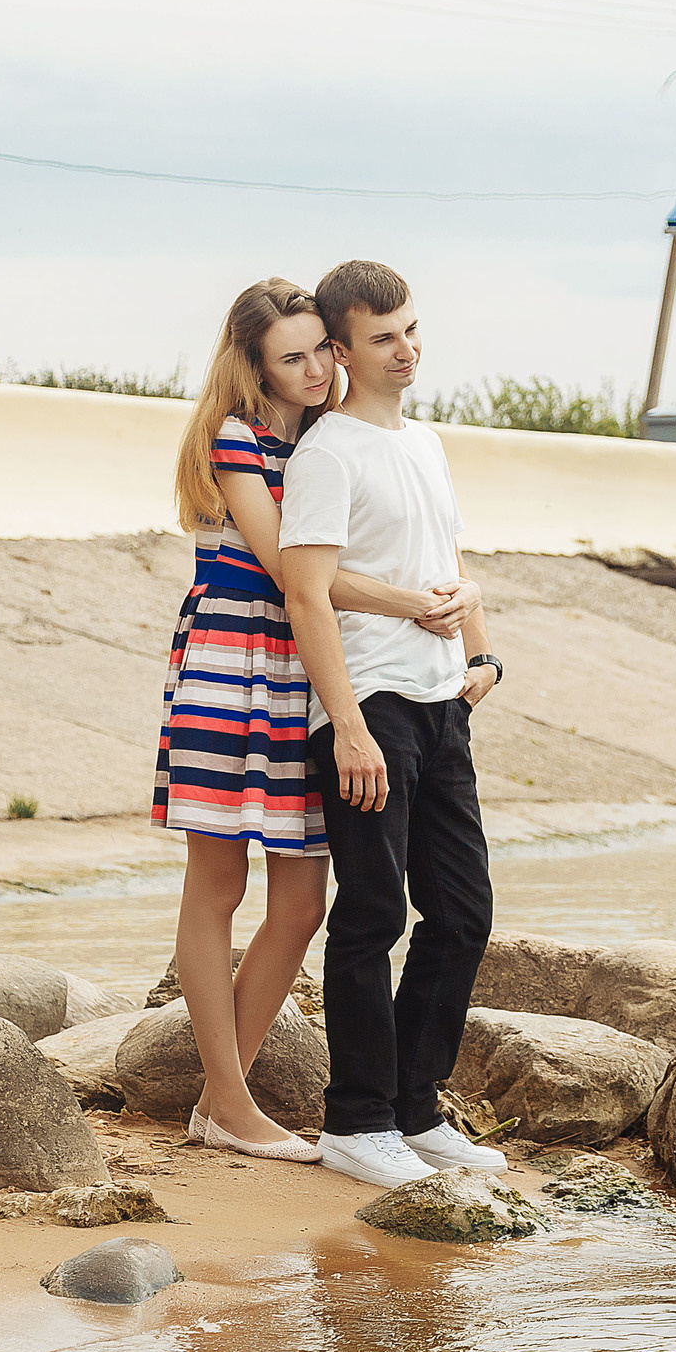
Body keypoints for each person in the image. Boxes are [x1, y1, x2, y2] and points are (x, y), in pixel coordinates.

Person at [152, 278, 478, 1162]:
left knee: (301, 901)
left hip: (305, 671)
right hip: (232, 663)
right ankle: (230, 1100)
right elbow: (295, 571)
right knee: (217, 884)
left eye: (317, 351)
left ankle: (222, 1099)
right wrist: (417, 603)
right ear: (255, 365)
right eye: (288, 357)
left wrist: (456, 609)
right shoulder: (235, 439)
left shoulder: (323, 442)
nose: (312, 369)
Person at [280, 260, 509, 1189]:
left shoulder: (426, 442)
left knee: (462, 911)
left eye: (411, 329)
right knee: (372, 912)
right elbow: (307, 590)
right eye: (383, 337)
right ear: (341, 349)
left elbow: (445, 558)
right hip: (368, 705)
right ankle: (357, 1120)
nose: (406, 349)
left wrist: (483, 660)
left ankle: (416, 1108)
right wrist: (347, 726)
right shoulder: (327, 453)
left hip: (441, 702)